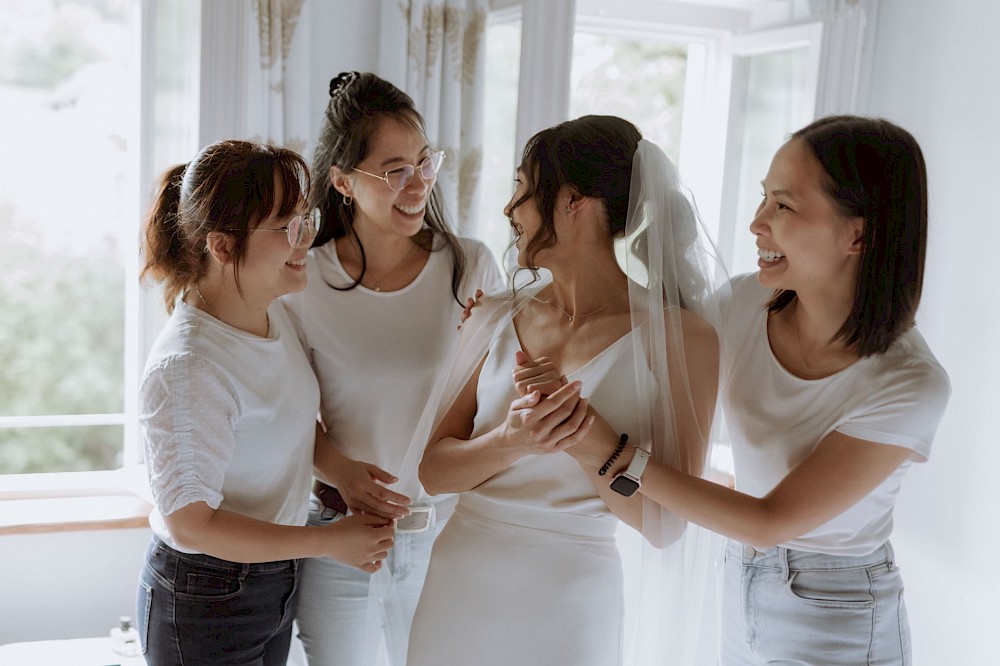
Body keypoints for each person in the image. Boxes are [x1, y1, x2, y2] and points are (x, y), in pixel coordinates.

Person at [568, 115, 951, 664]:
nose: (756, 222)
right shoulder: (741, 304)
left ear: (859, 234)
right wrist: (521, 313)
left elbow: (769, 521)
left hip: (836, 611)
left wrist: (608, 453)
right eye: (762, 199)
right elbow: (646, 337)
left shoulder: (909, 384)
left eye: (783, 206)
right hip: (741, 577)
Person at [407, 115, 725, 666]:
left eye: (521, 191)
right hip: (460, 586)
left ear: (572, 201)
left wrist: (588, 440)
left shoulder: (683, 338)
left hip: (571, 600)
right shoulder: (493, 314)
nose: (509, 211)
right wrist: (514, 439)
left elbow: (666, 525)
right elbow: (433, 472)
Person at [136, 139, 395, 666]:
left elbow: (284, 418)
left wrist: (341, 469)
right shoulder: (190, 368)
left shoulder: (273, 315)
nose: (306, 240)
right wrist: (327, 543)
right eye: (286, 227)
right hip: (205, 595)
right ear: (223, 246)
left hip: (268, 578)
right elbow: (191, 525)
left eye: (306, 219)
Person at [283, 72, 504, 666]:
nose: (418, 185)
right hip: (340, 537)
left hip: (446, 536)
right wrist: (342, 470)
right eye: (394, 170)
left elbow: (495, 403)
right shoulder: (304, 281)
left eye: (424, 163)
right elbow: (283, 414)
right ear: (342, 181)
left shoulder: (470, 267)